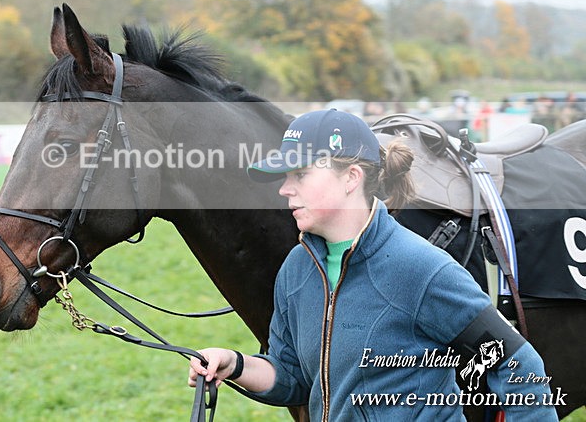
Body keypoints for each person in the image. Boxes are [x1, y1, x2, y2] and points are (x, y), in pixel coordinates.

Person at [188, 109, 556, 420]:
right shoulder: (296, 271)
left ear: (351, 177)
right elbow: (292, 377)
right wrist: (234, 364)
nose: (285, 189)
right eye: (284, 177)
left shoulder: (423, 270)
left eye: (299, 175)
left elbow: (519, 367)